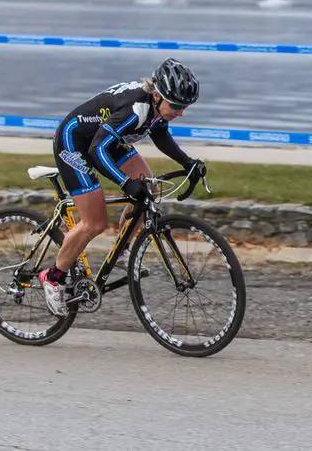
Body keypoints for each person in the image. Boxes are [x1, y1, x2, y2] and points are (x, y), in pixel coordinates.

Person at [38, 57, 207, 316]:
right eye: (176, 105)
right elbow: (96, 150)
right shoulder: (136, 109)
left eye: (185, 106)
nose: (180, 112)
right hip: (75, 142)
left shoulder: (157, 107)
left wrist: (188, 162)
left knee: (149, 189)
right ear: (158, 95)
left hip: (107, 140)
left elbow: (160, 134)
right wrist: (125, 183)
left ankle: (121, 251)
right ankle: (54, 276)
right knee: (94, 223)